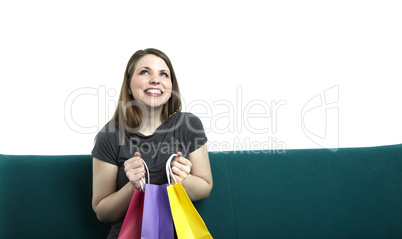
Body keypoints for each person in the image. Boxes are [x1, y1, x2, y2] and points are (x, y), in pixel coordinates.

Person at [91, 48, 213, 238]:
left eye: (163, 74)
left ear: (171, 87)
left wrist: (183, 180)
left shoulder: (189, 126)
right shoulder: (110, 136)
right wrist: (132, 187)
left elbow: (205, 187)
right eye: (145, 72)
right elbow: (102, 212)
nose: (156, 79)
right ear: (129, 86)